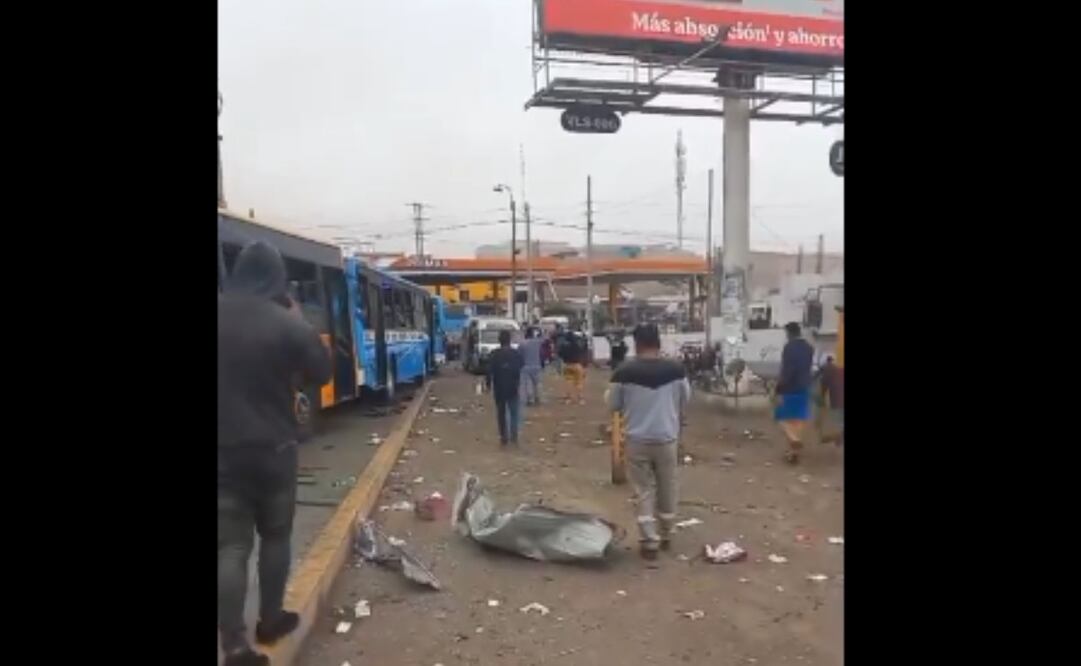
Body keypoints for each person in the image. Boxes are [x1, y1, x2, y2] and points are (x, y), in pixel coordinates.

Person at [218, 241, 333, 666]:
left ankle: (233, 645)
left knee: (229, 547)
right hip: (274, 450)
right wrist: (299, 322)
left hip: (222, 454)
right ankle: (270, 620)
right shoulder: (286, 323)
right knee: (276, 536)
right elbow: (322, 372)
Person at [607, 324, 691, 560]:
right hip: (667, 439)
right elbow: (686, 399)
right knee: (668, 485)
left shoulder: (623, 372)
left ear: (637, 344)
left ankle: (649, 541)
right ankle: (667, 533)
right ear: (658, 342)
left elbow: (613, 405)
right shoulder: (676, 370)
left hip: (637, 440)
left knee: (642, 490)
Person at [775, 322, 815, 464]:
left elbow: (788, 370)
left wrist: (779, 387)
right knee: (797, 420)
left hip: (789, 388)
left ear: (789, 333)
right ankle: (794, 454)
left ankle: (794, 439)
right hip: (804, 387)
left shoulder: (789, 347)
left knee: (781, 417)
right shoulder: (809, 348)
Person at [486, 329, 524, 446]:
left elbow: (489, 372)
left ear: (499, 340)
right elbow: (521, 366)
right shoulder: (516, 353)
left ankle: (504, 437)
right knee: (514, 413)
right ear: (510, 340)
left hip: (499, 388)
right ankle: (514, 436)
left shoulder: (494, 354)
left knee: (501, 413)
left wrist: (488, 385)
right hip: (513, 387)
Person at [816, 355, 844, 446]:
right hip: (839, 395)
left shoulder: (827, 368)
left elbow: (824, 383)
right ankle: (839, 435)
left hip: (837, 397)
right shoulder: (837, 367)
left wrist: (822, 397)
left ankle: (838, 435)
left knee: (838, 416)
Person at [518, 327, 545, 406]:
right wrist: (539, 329)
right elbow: (544, 338)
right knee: (537, 383)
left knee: (528, 384)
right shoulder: (537, 342)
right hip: (537, 366)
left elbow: (519, 355)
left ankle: (530, 399)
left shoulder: (522, 344)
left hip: (525, 367)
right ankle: (538, 398)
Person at [561, 329, 588, 404]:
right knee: (579, 382)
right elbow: (583, 351)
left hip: (567, 365)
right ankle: (580, 399)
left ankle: (568, 399)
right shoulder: (577, 345)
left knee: (568, 382)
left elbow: (561, 354)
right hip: (577, 365)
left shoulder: (564, 346)